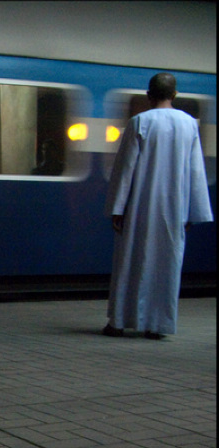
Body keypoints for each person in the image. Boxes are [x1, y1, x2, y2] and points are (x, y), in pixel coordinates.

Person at [102, 72, 213, 340]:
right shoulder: (189, 125)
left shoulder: (140, 121)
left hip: (139, 206)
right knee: (167, 265)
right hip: (174, 209)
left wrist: (117, 208)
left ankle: (118, 322)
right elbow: (195, 172)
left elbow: (125, 169)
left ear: (149, 95)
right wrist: (193, 212)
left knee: (130, 262)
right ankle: (157, 326)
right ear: (174, 95)